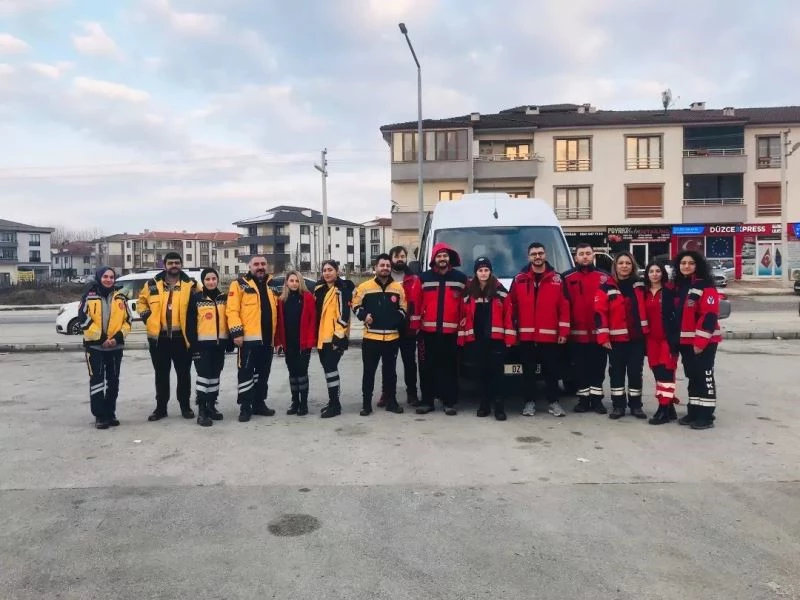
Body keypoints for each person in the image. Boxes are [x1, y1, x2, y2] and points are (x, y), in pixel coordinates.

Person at [509, 243, 570, 418]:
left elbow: (564, 307)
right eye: (534, 254)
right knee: (528, 372)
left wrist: (564, 332)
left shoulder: (557, 279)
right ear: (528, 257)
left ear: (545, 255)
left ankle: (553, 402)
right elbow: (511, 306)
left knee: (552, 371)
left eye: (540, 253)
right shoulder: (519, 279)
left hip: (550, 336)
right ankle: (529, 402)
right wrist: (513, 331)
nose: (537, 256)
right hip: (526, 336)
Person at [137, 252, 200, 421]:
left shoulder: (192, 285)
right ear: (164, 265)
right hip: (159, 339)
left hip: (182, 339)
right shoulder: (152, 284)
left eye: (177, 262)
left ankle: (185, 407)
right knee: (161, 374)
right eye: (170, 262)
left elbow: (201, 305)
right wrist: (147, 317)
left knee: (184, 374)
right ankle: (161, 408)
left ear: (181, 264)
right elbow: (141, 302)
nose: (174, 265)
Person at [413, 243, 468, 416]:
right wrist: (415, 327)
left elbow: (466, 305)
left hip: (451, 333)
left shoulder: (460, 278)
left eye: (445, 255)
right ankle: (427, 401)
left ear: (449, 258)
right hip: (426, 332)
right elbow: (415, 302)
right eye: (439, 256)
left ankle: (449, 402)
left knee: (450, 368)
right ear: (433, 259)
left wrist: (463, 327)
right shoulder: (423, 278)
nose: (442, 259)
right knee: (426, 367)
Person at [595, 252, 650, 420]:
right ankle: (618, 406)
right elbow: (599, 313)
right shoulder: (607, 286)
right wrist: (603, 337)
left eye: (627, 263)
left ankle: (636, 406)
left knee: (635, 373)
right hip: (616, 341)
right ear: (615, 266)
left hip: (637, 340)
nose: (624, 266)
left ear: (632, 266)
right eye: (621, 263)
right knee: (616, 373)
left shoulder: (641, 286)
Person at [458, 257, 514, 420]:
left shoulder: (500, 291)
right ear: (475, 273)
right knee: (481, 374)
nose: (483, 273)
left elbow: (508, 316)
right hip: (476, 341)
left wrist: (509, 339)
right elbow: (463, 314)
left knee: (497, 375)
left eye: (486, 270)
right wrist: (463, 338)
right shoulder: (468, 292)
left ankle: (499, 408)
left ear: (490, 272)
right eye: (480, 270)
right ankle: (484, 405)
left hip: (496, 340)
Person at [671, 250, 721, 430]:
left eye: (690, 263)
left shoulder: (705, 286)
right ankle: (693, 411)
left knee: (704, 376)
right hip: (686, 343)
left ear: (697, 265)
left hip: (704, 343)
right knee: (693, 377)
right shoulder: (679, 286)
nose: (686, 266)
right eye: (683, 263)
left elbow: (709, 316)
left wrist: (700, 343)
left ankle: (706, 416)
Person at [226, 256, 280, 422]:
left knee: (263, 373)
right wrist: (236, 333)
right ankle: (245, 407)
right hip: (248, 340)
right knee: (246, 373)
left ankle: (259, 403)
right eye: (256, 264)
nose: (260, 267)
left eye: (263, 264)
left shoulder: (272, 285)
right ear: (249, 266)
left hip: (267, 339)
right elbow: (232, 310)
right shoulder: (239, 284)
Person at [353, 253, 408, 416]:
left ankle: (392, 402)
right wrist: (364, 316)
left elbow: (404, 307)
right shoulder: (364, 287)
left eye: (387, 266)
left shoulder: (398, 288)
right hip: (371, 338)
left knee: (391, 373)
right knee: (369, 372)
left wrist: (398, 318)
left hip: (392, 338)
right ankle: (366, 404)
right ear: (375, 268)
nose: (385, 268)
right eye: (382, 265)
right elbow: (355, 305)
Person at [78, 267, 131, 429]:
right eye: (105, 277)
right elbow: (83, 320)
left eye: (111, 277)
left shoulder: (121, 296)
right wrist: (101, 338)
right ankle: (100, 416)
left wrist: (117, 338)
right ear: (99, 277)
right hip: (95, 347)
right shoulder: (89, 295)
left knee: (113, 382)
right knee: (97, 381)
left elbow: (128, 321)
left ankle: (110, 413)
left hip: (115, 347)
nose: (108, 279)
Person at [562, 244, 611, 414]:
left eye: (588, 253)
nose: (585, 257)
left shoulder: (604, 277)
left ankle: (597, 401)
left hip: (598, 334)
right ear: (575, 258)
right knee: (579, 369)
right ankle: (583, 400)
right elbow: (563, 305)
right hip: (576, 335)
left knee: (598, 369)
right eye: (581, 254)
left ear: (593, 256)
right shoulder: (567, 278)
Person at [186, 267, 230, 427]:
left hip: (219, 345)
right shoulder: (196, 298)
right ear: (203, 281)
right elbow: (190, 324)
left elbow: (228, 319)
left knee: (215, 376)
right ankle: (202, 410)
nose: (211, 282)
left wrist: (230, 341)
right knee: (204, 377)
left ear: (217, 280)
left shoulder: (223, 298)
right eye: (207, 279)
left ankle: (212, 405)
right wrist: (194, 345)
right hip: (202, 346)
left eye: (213, 279)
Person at [379, 245, 422, 407]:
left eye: (403, 256)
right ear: (391, 259)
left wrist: (417, 323)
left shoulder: (414, 279)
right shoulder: (384, 278)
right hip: (389, 327)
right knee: (388, 362)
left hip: (408, 327)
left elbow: (417, 302)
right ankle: (386, 394)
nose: (400, 259)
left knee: (410, 362)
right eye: (396, 256)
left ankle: (412, 394)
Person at [314, 260, 355, 419]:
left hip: (335, 338)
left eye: (330, 270)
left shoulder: (342, 289)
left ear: (337, 271)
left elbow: (344, 315)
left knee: (331, 368)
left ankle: (336, 405)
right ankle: (332, 401)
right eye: (324, 270)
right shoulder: (320, 289)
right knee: (328, 370)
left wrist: (338, 337)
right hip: (322, 338)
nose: (327, 273)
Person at [642, 261, 680, 426]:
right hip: (651, 340)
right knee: (658, 374)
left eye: (658, 271)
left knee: (666, 374)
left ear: (662, 274)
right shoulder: (644, 293)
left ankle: (663, 409)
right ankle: (670, 408)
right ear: (647, 274)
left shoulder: (670, 292)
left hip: (667, 339)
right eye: (652, 271)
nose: (655, 274)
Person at [275, 271, 317, 416]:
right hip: (288, 343)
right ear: (286, 282)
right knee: (292, 373)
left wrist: (311, 341)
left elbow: (313, 321)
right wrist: (279, 342)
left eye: (296, 281)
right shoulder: (281, 300)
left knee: (302, 373)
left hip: (303, 343)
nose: (294, 283)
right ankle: (295, 402)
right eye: (291, 281)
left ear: (300, 282)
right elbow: (279, 322)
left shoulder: (308, 298)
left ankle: (304, 404)